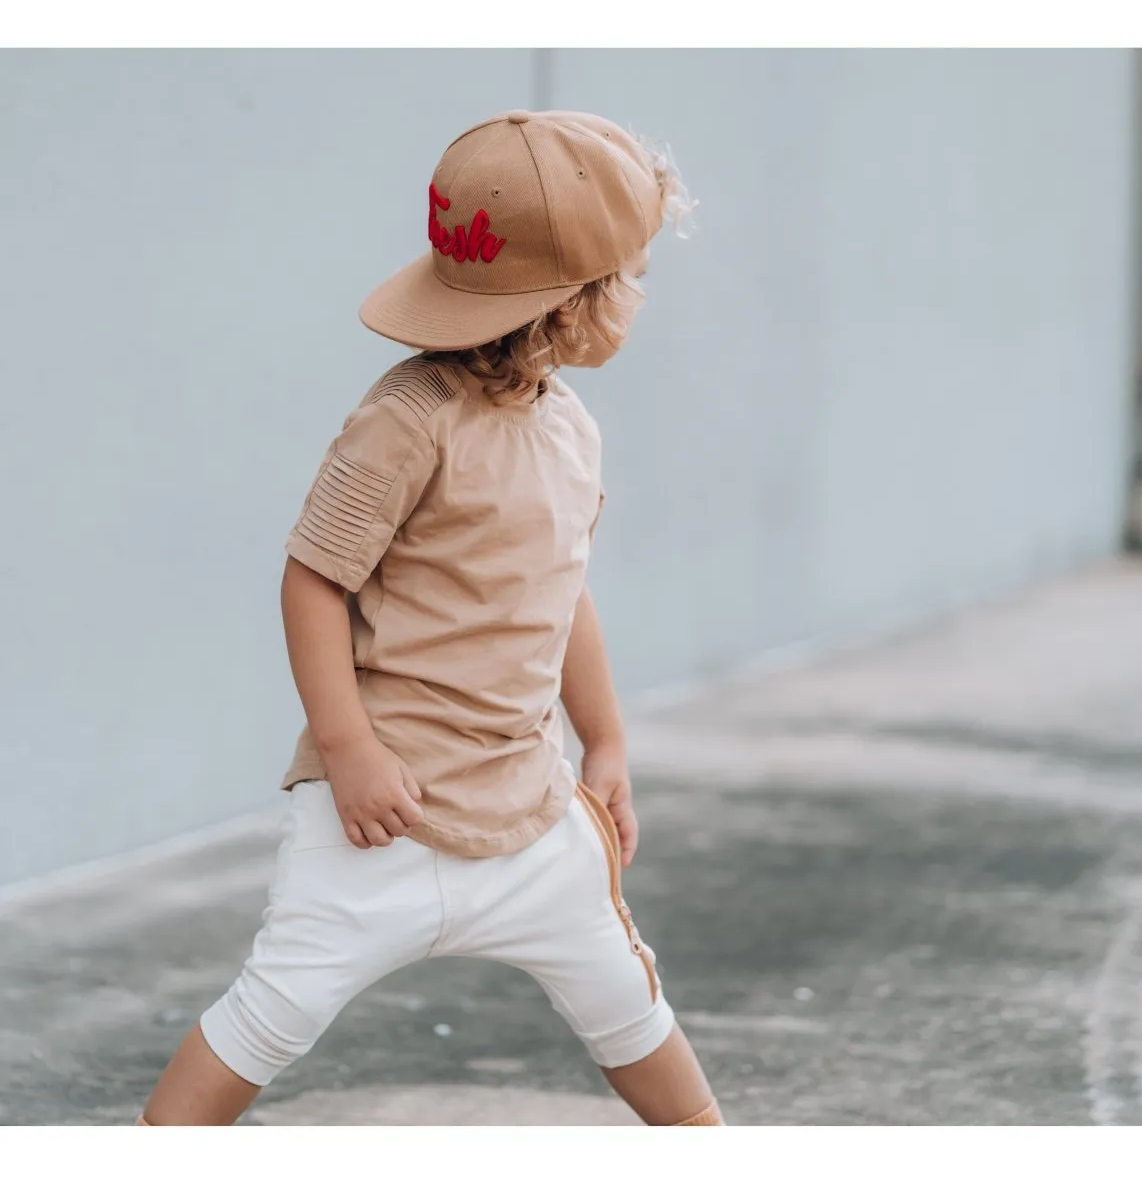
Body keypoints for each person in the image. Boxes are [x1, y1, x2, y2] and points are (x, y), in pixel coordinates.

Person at [139, 110, 721, 1127]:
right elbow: (313, 578)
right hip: (382, 823)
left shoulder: (570, 430)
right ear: (564, 304)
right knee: (267, 1017)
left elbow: (560, 588)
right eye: (629, 277)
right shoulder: (407, 423)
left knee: (632, 1009)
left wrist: (609, 739)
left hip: (532, 820)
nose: (639, 296)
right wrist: (348, 747)